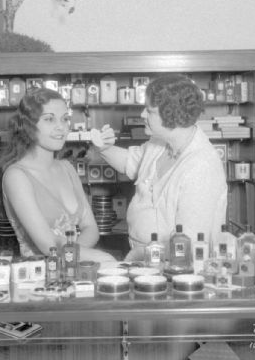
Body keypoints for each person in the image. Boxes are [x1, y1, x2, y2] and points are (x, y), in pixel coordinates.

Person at [92, 74, 228, 260]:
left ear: (171, 114)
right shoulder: (160, 143)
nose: (142, 115)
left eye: (149, 111)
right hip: (144, 257)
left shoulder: (201, 166)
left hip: (176, 265)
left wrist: (142, 255)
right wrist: (103, 148)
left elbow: (189, 242)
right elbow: (129, 162)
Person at [0, 87, 115, 262]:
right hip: (40, 278)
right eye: (49, 119)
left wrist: (72, 256)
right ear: (28, 125)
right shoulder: (16, 176)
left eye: (65, 119)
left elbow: (91, 229)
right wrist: (103, 258)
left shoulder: (67, 168)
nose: (61, 127)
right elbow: (48, 244)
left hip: (74, 269)